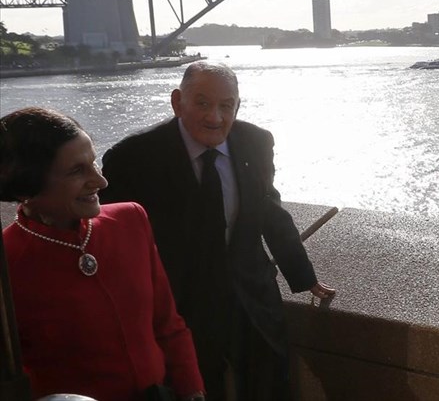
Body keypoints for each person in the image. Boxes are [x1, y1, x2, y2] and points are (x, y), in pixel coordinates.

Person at [99, 61, 335, 401]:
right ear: (177, 101)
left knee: (270, 384)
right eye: (202, 103)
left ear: (238, 106)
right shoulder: (133, 156)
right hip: (181, 305)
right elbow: (114, 236)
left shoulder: (255, 141)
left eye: (227, 106)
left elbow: (268, 209)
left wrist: (304, 276)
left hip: (251, 296)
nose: (215, 117)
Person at [0, 107, 205, 400]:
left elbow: (168, 324)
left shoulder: (131, 220)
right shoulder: (6, 264)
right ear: (26, 187)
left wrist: (192, 390)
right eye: (76, 170)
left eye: (94, 163)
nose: (100, 181)